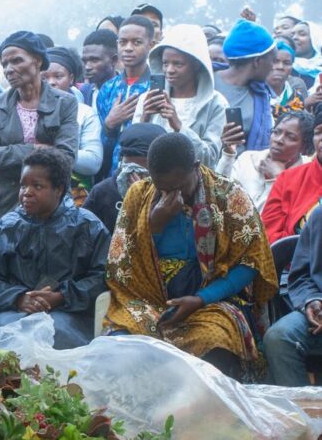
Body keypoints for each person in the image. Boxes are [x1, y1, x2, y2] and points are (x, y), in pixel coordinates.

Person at [104, 133, 277, 379]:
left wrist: (201, 298)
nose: (171, 196)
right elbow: (120, 262)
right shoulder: (139, 195)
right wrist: (153, 228)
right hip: (149, 299)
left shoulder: (229, 195)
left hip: (211, 299)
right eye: (162, 188)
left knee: (214, 345)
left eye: (179, 187)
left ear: (196, 167)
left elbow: (251, 261)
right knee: (122, 346)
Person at [0, 148, 109, 348]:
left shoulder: (87, 226)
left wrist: (61, 296)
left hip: (68, 313)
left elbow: (102, 277)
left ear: (59, 189)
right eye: (23, 185)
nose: (26, 192)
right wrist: (18, 297)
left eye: (37, 186)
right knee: (5, 337)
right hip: (13, 312)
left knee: (57, 335)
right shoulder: (7, 226)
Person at [0, 31, 78, 225]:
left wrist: (8, 155)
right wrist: (34, 150)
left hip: (52, 204)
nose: (9, 69)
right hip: (5, 204)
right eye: (5, 64)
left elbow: (67, 157)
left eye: (16, 61)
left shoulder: (65, 102)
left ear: (37, 60)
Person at [133, 24, 228, 168]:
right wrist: (144, 120)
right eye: (165, 63)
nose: (169, 70)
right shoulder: (148, 98)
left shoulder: (216, 103)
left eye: (178, 64)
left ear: (196, 65)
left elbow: (210, 159)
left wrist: (179, 126)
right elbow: (132, 152)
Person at [263, 206, 322, 386]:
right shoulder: (319, 216)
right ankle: (301, 412)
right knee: (278, 338)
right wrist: (312, 300)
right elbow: (301, 274)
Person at [216, 110, 314, 213]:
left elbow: (266, 218)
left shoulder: (308, 176)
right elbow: (218, 193)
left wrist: (278, 179)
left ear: (305, 147)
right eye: (276, 132)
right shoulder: (247, 158)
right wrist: (228, 153)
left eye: (290, 137)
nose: (279, 140)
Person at [96, 16, 156, 180]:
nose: (128, 48)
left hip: (151, 175)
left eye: (136, 42)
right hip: (112, 177)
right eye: (123, 42)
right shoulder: (107, 89)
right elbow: (100, 147)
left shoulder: (158, 87)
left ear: (151, 45)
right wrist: (109, 124)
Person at [83, 123, 166, 233]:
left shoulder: (168, 195)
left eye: (142, 169)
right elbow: (84, 233)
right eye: (130, 167)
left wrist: (146, 203)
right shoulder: (103, 191)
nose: (135, 176)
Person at [45, 47, 103, 203]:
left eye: (58, 76)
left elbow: (93, 162)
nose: (51, 83)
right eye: (44, 77)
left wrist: (51, 150)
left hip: (76, 197)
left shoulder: (85, 113)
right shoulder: (27, 110)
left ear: (71, 78)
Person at [214, 20, 276, 155]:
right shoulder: (207, 83)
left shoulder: (261, 95)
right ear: (257, 62)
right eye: (273, 60)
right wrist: (220, 142)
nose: (273, 67)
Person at [262, 106, 322, 243]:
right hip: (291, 262)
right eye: (319, 132)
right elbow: (268, 236)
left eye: (290, 137)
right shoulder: (288, 179)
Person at [80, 29, 119, 110]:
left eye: (94, 60)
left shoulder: (128, 91)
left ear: (114, 60)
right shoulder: (84, 92)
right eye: (84, 61)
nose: (87, 67)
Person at [268, 40, 308, 117]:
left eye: (286, 63)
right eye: (275, 61)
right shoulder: (253, 92)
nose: (280, 67)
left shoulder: (296, 96)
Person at [291, 21, 322, 88]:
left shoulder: (320, 68)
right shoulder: (286, 66)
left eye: (302, 34)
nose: (294, 37)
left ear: (315, 39)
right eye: (292, 35)